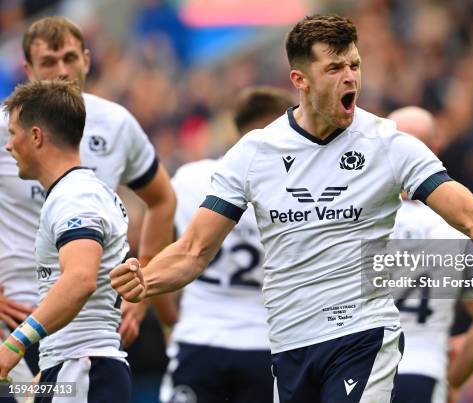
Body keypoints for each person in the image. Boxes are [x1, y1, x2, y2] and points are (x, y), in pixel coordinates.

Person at [111, 14, 473, 403]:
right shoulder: (256, 153)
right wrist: (146, 278)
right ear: (300, 80)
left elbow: (457, 202)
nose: (350, 77)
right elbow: (193, 251)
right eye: (335, 68)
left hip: (362, 334)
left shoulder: (387, 143)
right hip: (289, 343)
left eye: (355, 65)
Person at [0, 15, 177, 389]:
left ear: (86, 59)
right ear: (28, 68)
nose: (62, 70)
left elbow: (162, 200)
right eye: (49, 62)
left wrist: (143, 284)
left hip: (85, 328)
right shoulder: (6, 128)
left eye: (69, 58)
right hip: (16, 313)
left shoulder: (114, 124)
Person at [159, 86, 294, 403]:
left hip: (199, 338)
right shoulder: (298, 191)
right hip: (267, 345)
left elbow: (157, 256)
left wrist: (170, 323)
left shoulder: (190, 178)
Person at [0, 79, 131, 402]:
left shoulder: (75, 196)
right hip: (72, 369)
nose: (8, 146)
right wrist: (47, 376)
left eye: (12, 134)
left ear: (35, 136)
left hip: (84, 367)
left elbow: (81, 279)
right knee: (10, 395)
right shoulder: (81, 191)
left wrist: (14, 345)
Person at [388, 106, 473, 403]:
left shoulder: (358, 220)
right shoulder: (455, 229)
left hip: (363, 371)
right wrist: (453, 379)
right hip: (424, 370)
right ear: (435, 152)